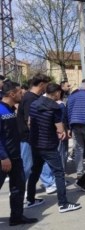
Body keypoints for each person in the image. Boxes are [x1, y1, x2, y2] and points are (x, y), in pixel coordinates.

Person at [28, 83, 81, 213]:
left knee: (34, 171)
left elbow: (29, 122)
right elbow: (60, 129)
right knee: (59, 173)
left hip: (35, 143)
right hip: (48, 145)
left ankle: (30, 199)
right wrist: (61, 132)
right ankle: (63, 203)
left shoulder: (34, 103)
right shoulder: (54, 107)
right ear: (57, 93)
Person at [0, 80, 38, 226]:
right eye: (19, 92)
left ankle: (17, 217)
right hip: (4, 158)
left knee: (18, 188)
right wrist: (3, 157)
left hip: (16, 157)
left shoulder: (11, 109)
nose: (22, 94)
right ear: (11, 94)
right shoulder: (1, 110)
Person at [17, 74, 57, 194]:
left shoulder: (32, 97)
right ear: (41, 84)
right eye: (46, 85)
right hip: (27, 137)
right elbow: (30, 121)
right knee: (26, 165)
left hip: (32, 137)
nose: (47, 88)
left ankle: (47, 183)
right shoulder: (30, 99)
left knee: (37, 163)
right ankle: (19, 189)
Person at [67, 79, 85, 180]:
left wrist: (69, 127)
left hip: (75, 124)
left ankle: (79, 173)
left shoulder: (72, 95)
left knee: (78, 149)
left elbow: (69, 111)